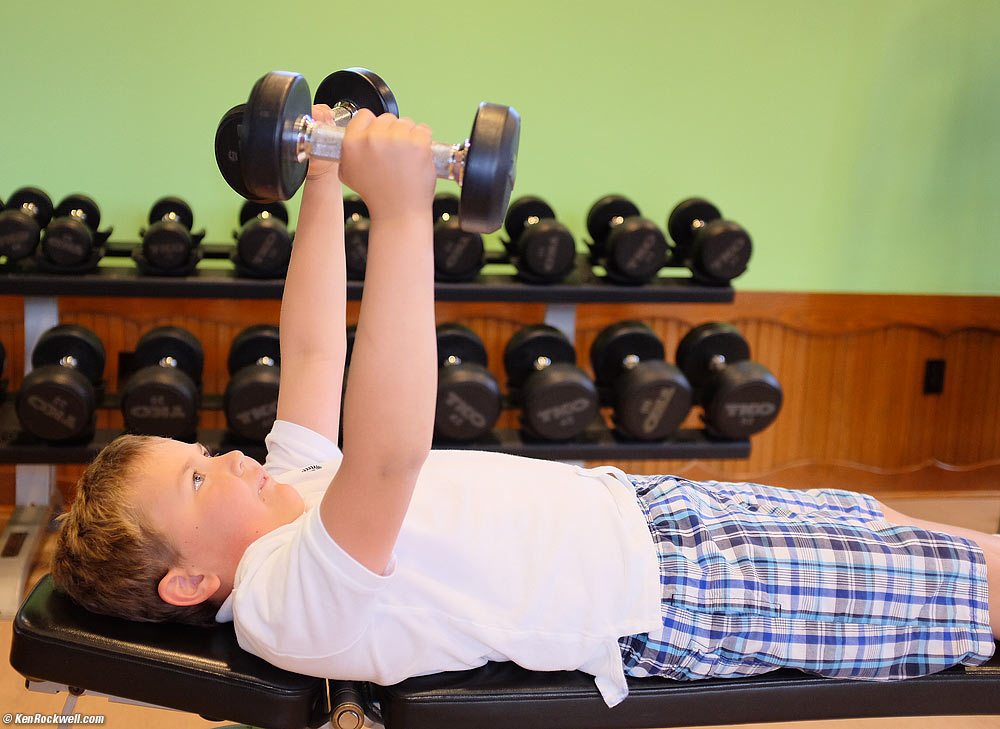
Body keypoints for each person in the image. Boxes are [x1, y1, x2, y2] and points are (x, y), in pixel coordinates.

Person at [52, 105, 997, 709]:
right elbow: (387, 451)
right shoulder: (282, 598)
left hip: (639, 504)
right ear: (187, 582)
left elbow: (310, 346)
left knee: (902, 528)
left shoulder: (292, 482)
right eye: (195, 474)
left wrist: (327, 175)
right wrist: (403, 210)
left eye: (197, 448)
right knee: (968, 590)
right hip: (674, 596)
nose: (220, 455)